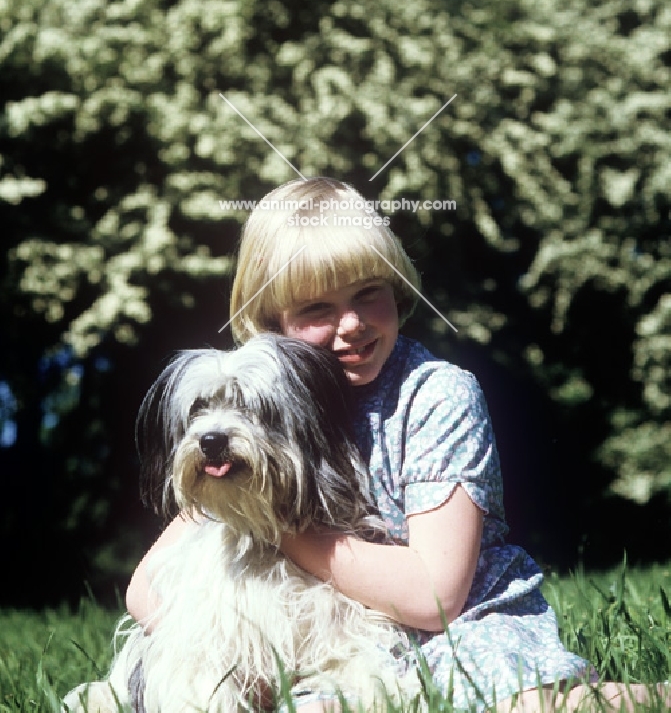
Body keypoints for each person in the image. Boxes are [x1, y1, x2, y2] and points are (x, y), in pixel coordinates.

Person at [127, 177, 669, 713]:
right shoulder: (257, 409)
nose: (352, 325)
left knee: (520, 705)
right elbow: (145, 590)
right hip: (340, 646)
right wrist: (246, 650)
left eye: (369, 294)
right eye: (317, 309)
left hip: (459, 628)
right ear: (272, 325)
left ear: (398, 288)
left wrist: (274, 529)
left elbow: (435, 595)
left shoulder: (435, 396)